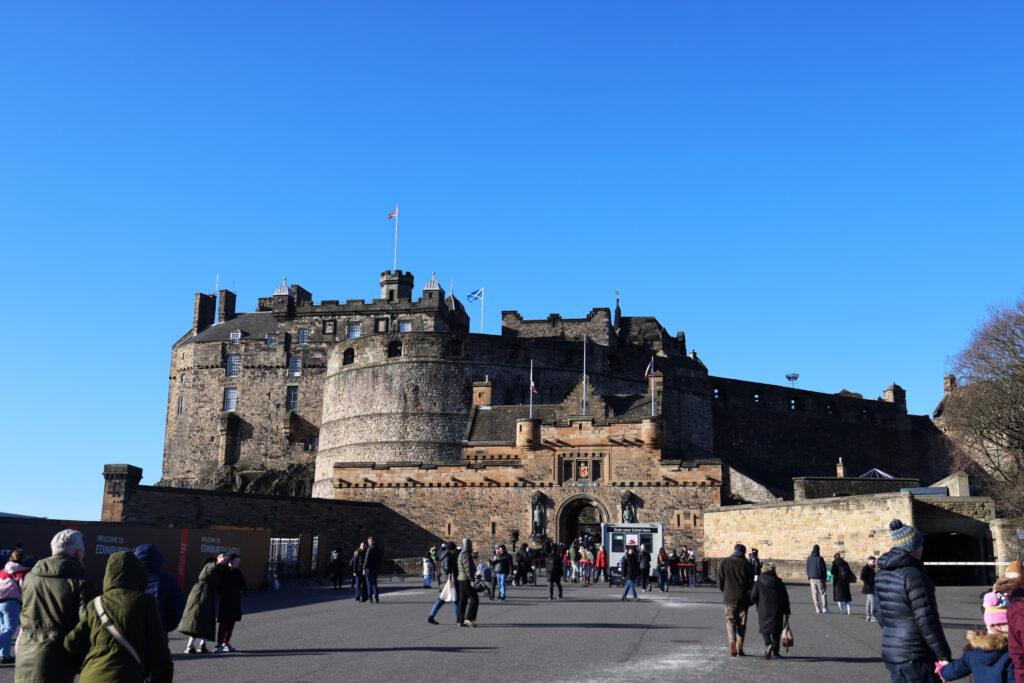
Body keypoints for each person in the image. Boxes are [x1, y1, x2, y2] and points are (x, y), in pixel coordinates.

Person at [62, 550, 173, 683]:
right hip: (125, 676)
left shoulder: (95, 604)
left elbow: (71, 643)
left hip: (90, 675)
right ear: (139, 574)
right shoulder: (146, 602)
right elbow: (159, 650)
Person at [14, 529, 97, 682]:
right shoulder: (83, 580)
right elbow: (85, 625)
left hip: (24, 657)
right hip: (58, 661)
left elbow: (24, 621)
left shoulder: (31, 578)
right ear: (79, 553)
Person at [876, 518, 951, 681]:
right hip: (917, 655)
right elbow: (927, 621)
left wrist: (896, 636)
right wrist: (943, 656)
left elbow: (879, 614)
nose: (922, 548)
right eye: (920, 545)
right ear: (913, 547)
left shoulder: (881, 573)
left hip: (892, 653)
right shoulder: (915, 576)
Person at [938, 591, 1014, 683]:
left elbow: (958, 667)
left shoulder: (975, 650)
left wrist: (942, 670)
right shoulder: (1012, 652)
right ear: (998, 625)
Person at [177, 554, 228, 653]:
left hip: (209, 597)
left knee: (207, 621)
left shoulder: (219, 571)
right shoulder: (209, 566)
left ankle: (202, 645)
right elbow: (206, 573)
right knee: (197, 621)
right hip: (200, 597)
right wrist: (217, 563)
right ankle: (190, 646)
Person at [132, 544, 185, 637]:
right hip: (158, 638)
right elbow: (176, 613)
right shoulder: (169, 582)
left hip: (130, 639)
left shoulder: (128, 580)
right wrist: (163, 627)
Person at [718, 542, 754, 657]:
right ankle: (739, 648)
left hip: (729, 597)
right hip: (743, 598)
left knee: (730, 621)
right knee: (742, 624)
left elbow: (719, 579)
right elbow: (751, 583)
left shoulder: (725, 562)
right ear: (744, 553)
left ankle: (732, 640)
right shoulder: (747, 564)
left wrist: (724, 589)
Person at [749, 562, 791, 660]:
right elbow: (785, 597)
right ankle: (775, 651)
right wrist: (787, 611)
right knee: (776, 630)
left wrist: (749, 603)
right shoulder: (779, 582)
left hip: (763, 608)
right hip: (777, 609)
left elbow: (753, 596)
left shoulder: (759, 581)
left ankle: (768, 644)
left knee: (764, 629)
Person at [0, 549, 30, 664]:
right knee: (10, 629)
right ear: (23, 559)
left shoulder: (3, 570)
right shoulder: (22, 571)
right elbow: (24, 588)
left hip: (0, 600)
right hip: (11, 602)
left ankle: (4, 656)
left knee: (4, 629)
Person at [215, 554, 247, 653]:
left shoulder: (238, 573)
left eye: (239, 562)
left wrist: (242, 591)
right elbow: (217, 581)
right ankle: (219, 644)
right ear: (230, 561)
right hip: (225, 602)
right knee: (224, 623)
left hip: (235, 602)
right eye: (236, 561)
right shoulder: (223, 571)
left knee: (231, 623)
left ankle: (226, 643)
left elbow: (244, 585)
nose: (238, 564)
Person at [427, 542, 459, 625]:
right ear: (452, 549)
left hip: (442, 580)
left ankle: (431, 616)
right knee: (454, 600)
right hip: (448, 581)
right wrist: (453, 574)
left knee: (441, 600)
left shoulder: (442, 555)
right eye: (454, 549)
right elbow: (448, 568)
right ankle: (459, 619)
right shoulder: (449, 557)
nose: (455, 551)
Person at [456, 538, 479, 627]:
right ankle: (469, 618)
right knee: (474, 599)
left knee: (463, 600)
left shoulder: (461, 554)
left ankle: (460, 620)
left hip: (461, 579)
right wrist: (472, 579)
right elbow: (467, 568)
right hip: (465, 579)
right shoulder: (466, 554)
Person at [806, 544, 829, 614]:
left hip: (812, 578)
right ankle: (824, 608)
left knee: (814, 594)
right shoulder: (820, 558)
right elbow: (823, 569)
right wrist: (825, 577)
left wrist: (809, 577)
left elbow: (807, 568)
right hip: (820, 578)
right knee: (823, 593)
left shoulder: (809, 558)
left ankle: (817, 609)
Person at [362, 536, 381, 603]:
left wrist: (364, 568)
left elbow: (366, 559)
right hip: (375, 568)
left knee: (369, 583)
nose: (368, 543)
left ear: (371, 541)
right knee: (374, 583)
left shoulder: (369, 549)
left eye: (369, 541)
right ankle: (376, 597)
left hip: (369, 569)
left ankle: (370, 598)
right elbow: (380, 559)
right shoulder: (378, 549)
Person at [861, 556, 878, 622]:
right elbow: (862, 577)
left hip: (872, 587)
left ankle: (868, 616)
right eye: (873, 561)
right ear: (869, 561)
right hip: (868, 588)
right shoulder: (865, 568)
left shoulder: (872, 568)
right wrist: (868, 583)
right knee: (873, 601)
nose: (874, 563)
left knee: (868, 602)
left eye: (874, 561)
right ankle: (873, 616)